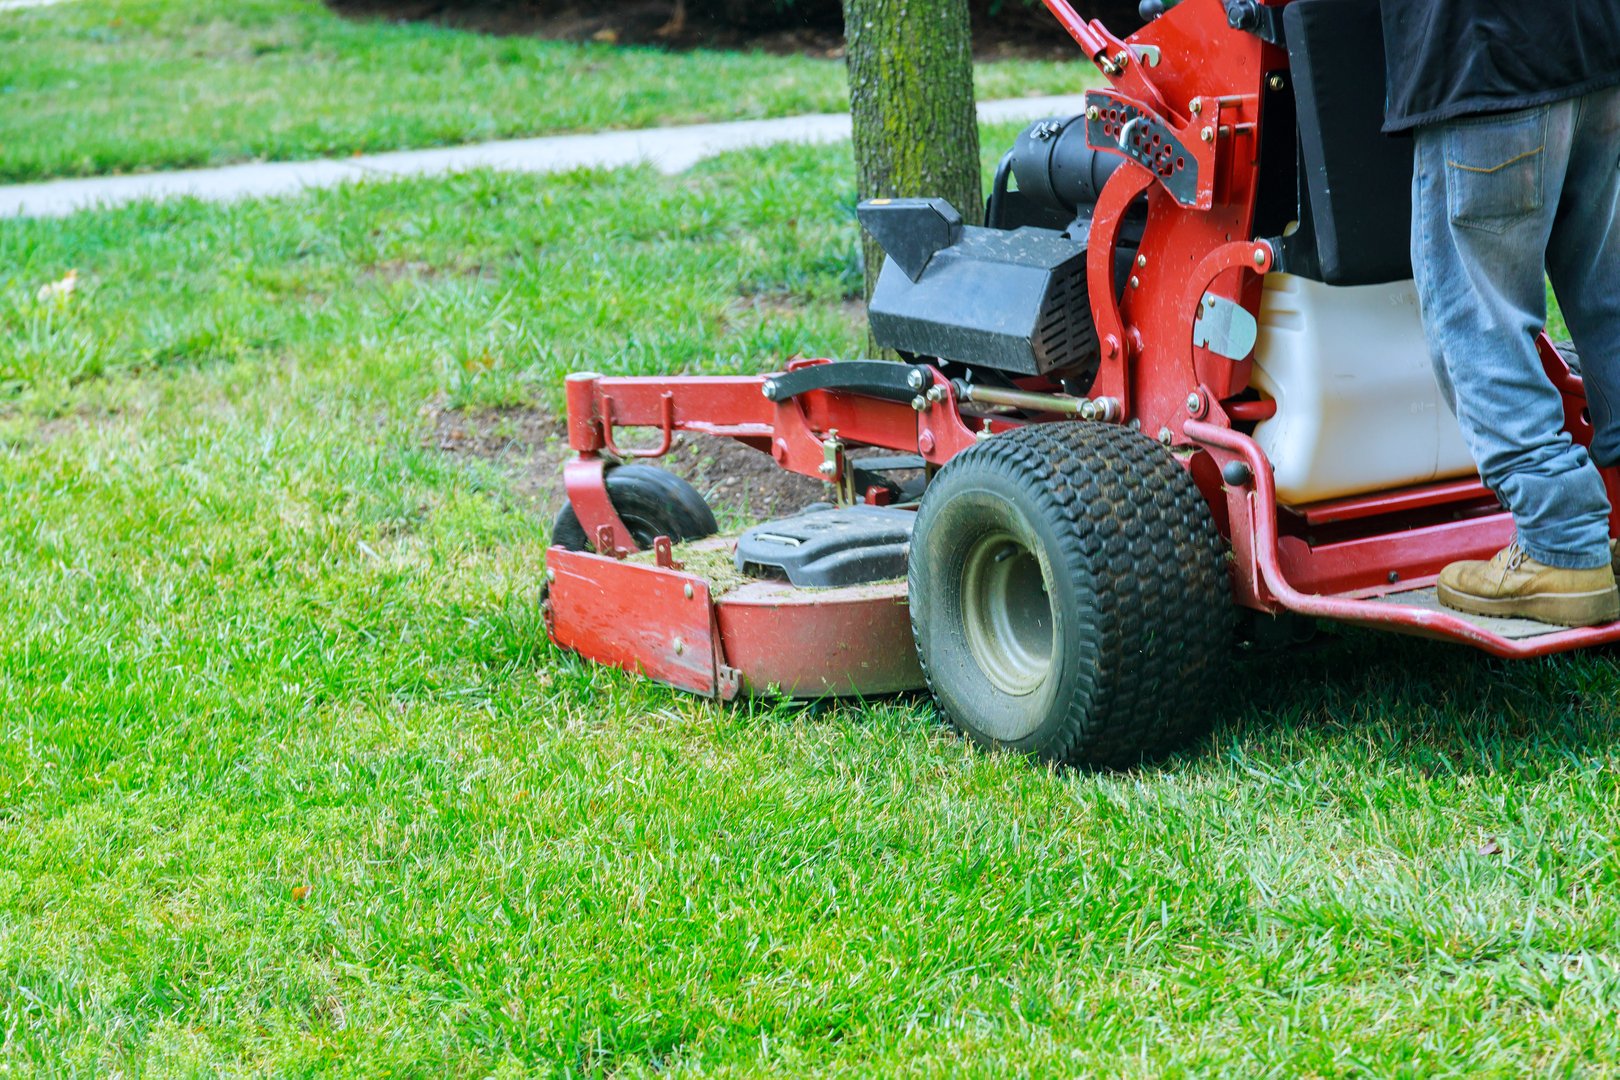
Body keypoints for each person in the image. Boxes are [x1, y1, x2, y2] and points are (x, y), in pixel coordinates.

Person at [1381, 1, 1620, 626]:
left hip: (1483, 53)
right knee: (1608, 296)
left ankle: (1561, 542)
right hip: (1596, 45)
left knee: (1479, 314)